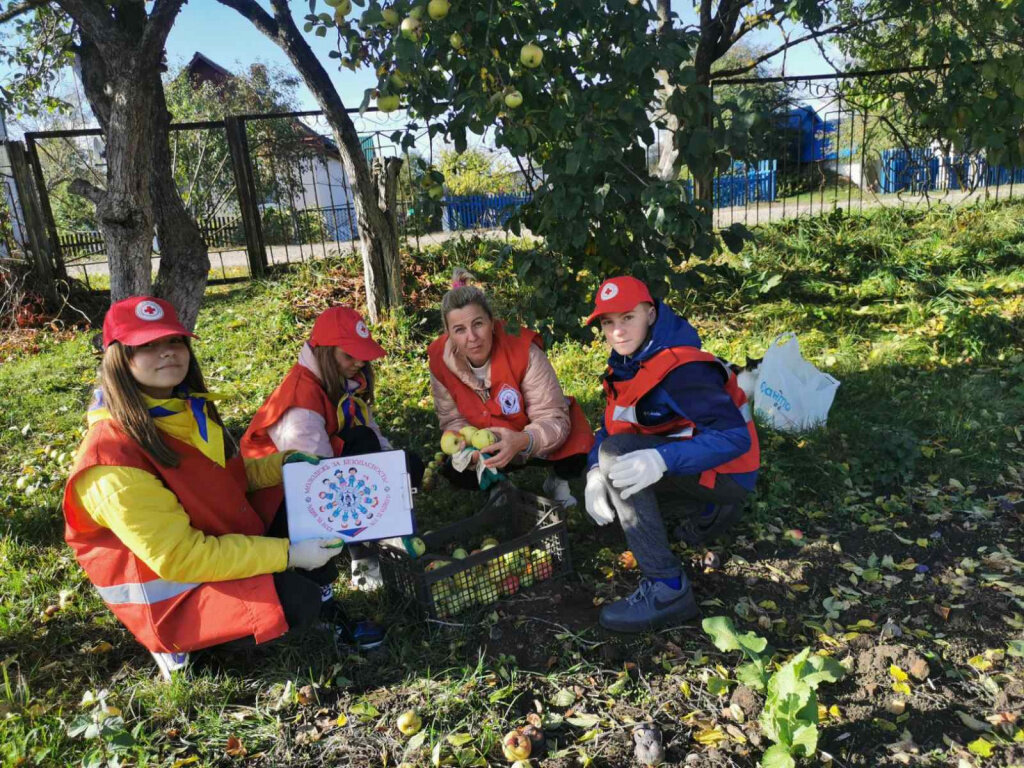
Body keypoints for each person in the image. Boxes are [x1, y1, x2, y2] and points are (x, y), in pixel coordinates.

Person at [63, 297, 369, 682]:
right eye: (147, 346)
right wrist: (288, 553)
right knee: (297, 598)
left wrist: (282, 464)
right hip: (172, 598)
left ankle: (302, 593)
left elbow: (228, 478)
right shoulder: (110, 457)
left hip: (215, 541)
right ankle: (178, 647)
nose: (167, 354)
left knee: (305, 510)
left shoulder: (187, 408)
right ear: (120, 358)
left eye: (174, 342)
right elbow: (180, 558)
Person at [584, 277, 760, 633]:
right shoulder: (628, 362)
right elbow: (610, 426)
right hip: (697, 468)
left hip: (728, 472)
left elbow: (734, 438)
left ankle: (668, 588)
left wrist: (661, 461)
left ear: (650, 314)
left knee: (619, 458)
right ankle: (706, 514)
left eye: (627, 318)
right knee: (616, 475)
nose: (617, 332)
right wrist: (592, 473)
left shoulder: (681, 369)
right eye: (608, 323)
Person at [242, 306, 424, 591]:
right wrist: (379, 500)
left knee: (398, 461)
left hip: (309, 477)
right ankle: (363, 557)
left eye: (362, 356)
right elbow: (321, 478)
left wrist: (395, 468)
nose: (359, 363)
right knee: (362, 471)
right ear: (326, 353)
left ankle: (371, 538)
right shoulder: (300, 402)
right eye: (349, 356)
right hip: (275, 505)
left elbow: (368, 434)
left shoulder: (339, 381)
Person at [428, 268, 594, 501]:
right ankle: (498, 486)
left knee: (576, 443)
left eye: (478, 324)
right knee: (455, 470)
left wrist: (522, 441)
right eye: (459, 330)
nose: (472, 337)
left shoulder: (524, 350)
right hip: (486, 440)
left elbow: (551, 415)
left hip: (529, 433)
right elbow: (452, 419)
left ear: (492, 322)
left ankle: (558, 480)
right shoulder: (439, 361)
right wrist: (467, 447)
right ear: (448, 333)